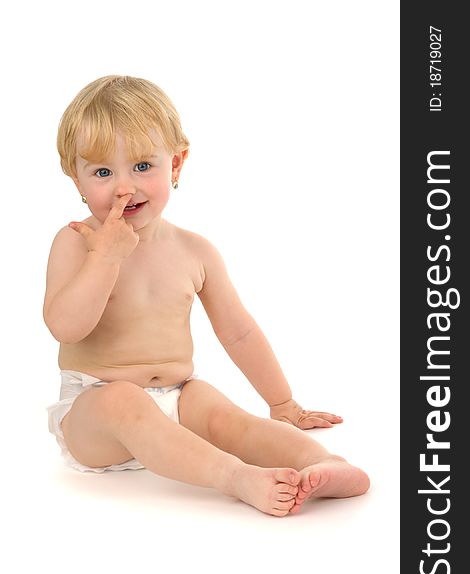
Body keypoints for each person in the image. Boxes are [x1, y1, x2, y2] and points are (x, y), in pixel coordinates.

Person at [44, 75, 369, 517]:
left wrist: (283, 402)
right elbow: (64, 326)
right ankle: (236, 478)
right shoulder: (77, 242)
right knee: (122, 399)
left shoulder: (194, 251)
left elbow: (238, 332)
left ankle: (323, 463)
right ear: (76, 180)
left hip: (176, 396)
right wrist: (105, 259)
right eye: (103, 172)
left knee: (224, 414)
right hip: (95, 412)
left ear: (176, 165)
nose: (125, 187)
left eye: (143, 166)